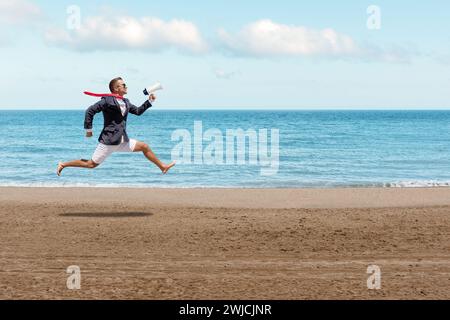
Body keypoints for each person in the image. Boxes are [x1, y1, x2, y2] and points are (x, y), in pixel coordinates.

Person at [56, 77, 175, 176]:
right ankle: (63, 164)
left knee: (144, 146)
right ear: (116, 88)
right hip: (109, 141)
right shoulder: (107, 101)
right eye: (123, 85)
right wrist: (89, 130)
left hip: (121, 140)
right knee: (91, 164)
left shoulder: (126, 102)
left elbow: (138, 111)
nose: (126, 86)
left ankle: (162, 167)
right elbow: (90, 111)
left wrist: (149, 102)